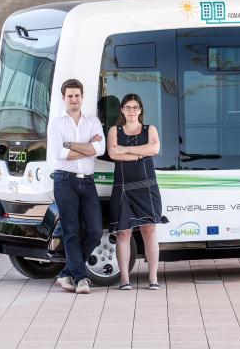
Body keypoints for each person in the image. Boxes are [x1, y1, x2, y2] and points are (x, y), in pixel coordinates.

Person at [47, 79, 105, 294]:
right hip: (64, 180)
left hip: (87, 181)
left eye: (77, 95)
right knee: (71, 230)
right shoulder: (56, 124)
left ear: (82, 97)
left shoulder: (92, 122)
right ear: (64, 98)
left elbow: (100, 149)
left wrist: (71, 145)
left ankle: (66, 273)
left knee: (95, 231)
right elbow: (59, 154)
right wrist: (88, 147)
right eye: (70, 95)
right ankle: (81, 279)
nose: (74, 99)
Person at [107, 93, 168, 290]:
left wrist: (125, 151)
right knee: (123, 233)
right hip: (123, 188)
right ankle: (124, 279)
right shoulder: (114, 131)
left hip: (147, 186)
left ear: (140, 110)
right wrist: (140, 153)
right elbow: (112, 153)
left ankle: (153, 278)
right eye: (128, 107)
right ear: (122, 110)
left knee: (149, 230)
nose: (132, 111)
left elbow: (155, 149)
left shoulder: (150, 129)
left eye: (135, 107)